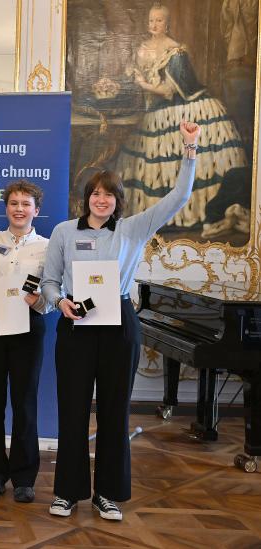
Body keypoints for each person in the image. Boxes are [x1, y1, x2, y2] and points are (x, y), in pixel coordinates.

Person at [42, 121, 200, 522]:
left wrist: (190, 149)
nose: (101, 200)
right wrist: (59, 302)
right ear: (86, 198)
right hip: (76, 326)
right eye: (96, 193)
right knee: (72, 410)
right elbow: (48, 281)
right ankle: (67, 493)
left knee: (114, 412)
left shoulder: (133, 230)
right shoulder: (63, 231)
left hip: (119, 325)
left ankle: (107, 494)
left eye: (109, 195)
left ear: (118, 202)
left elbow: (179, 197)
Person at [115, 3, 247, 238]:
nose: (154, 25)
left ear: (167, 24)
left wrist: (143, 83)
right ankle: (155, 218)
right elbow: (135, 75)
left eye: (158, 21)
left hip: (180, 110)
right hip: (153, 112)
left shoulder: (175, 51)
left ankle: (191, 214)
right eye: (150, 21)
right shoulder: (142, 49)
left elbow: (168, 91)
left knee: (182, 162)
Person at [0, 180, 51, 504]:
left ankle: (24, 478)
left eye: (25, 204)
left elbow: (56, 285)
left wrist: (41, 303)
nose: (19, 209)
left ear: (36, 210)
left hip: (29, 324)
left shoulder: (47, 246)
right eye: (14, 203)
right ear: (6, 207)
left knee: (25, 403)